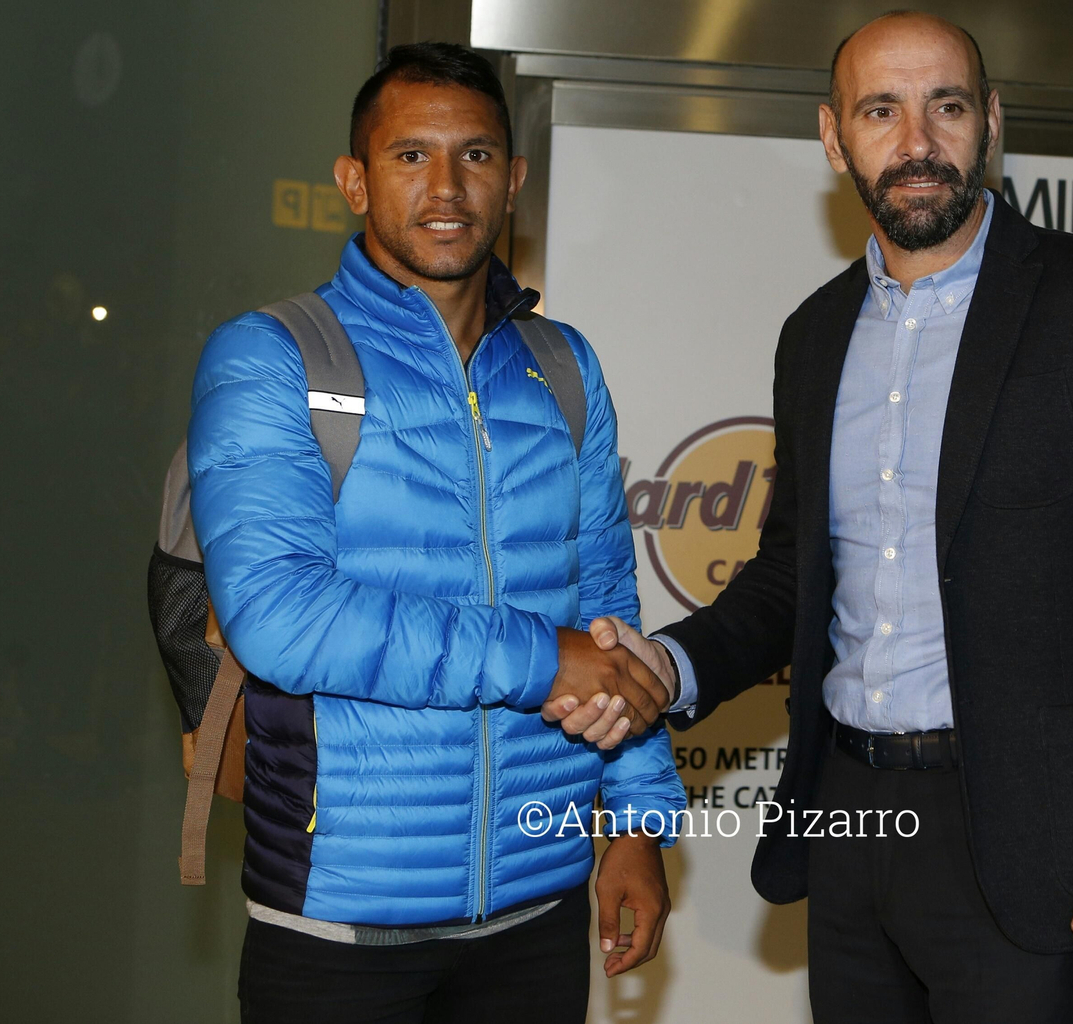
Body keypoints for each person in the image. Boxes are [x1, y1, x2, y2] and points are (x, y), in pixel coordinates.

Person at [550, 11, 1073, 1022]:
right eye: (881, 110)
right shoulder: (815, 335)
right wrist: (669, 667)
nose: (918, 140)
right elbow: (795, 573)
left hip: (1046, 855)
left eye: (947, 106)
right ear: (833, 135)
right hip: (852, 823)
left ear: (991, 122)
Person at [188, 43, 682, 1024]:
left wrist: (635, 820)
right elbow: (279, 616)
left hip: (536, 911)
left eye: (476, 156)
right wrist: (543, 660)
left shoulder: (563, 366)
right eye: (411, 156)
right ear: (354, 181)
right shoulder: (271, 356)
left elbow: (606, 609)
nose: (447, 187)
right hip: (338, 923)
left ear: (515, 179)